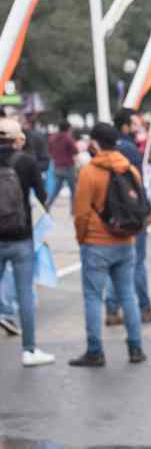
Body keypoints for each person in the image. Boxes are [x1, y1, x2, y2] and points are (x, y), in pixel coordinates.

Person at [69, 122, 147, 367]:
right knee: (128, 295)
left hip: (96, 243)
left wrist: (82, 238)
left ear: (94, 143)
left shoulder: (89, 172)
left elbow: (81, 213)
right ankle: (135, 348)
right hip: (125, 241)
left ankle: (95, 351)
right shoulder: (130, 169)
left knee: (93, 296)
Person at [0, 117, 54, 366]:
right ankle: (29, 350)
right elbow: (43, 196)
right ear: (17, 139)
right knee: (25, 294)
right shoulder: (26, 161)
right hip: (21, 236)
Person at [105, 113, 151, 326]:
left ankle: (112, 309)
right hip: (132, 213)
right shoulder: (129, 149)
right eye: (135, 124)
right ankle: (145, 307)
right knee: (137, 262)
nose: (138, 127)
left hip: (112, 215)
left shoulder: (107, 149)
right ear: (125, 126)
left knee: (117, 263)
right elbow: (138, 183)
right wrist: (147, 210)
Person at [46, 117, 78, 213]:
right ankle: (73, 210)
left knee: (56, 189)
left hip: (57, 166)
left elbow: (49, 151)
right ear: (68, 128)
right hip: (68, 167)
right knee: (73, 190)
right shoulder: (68, 137)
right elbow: (75, 150)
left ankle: (48, 205)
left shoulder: (52, 138)